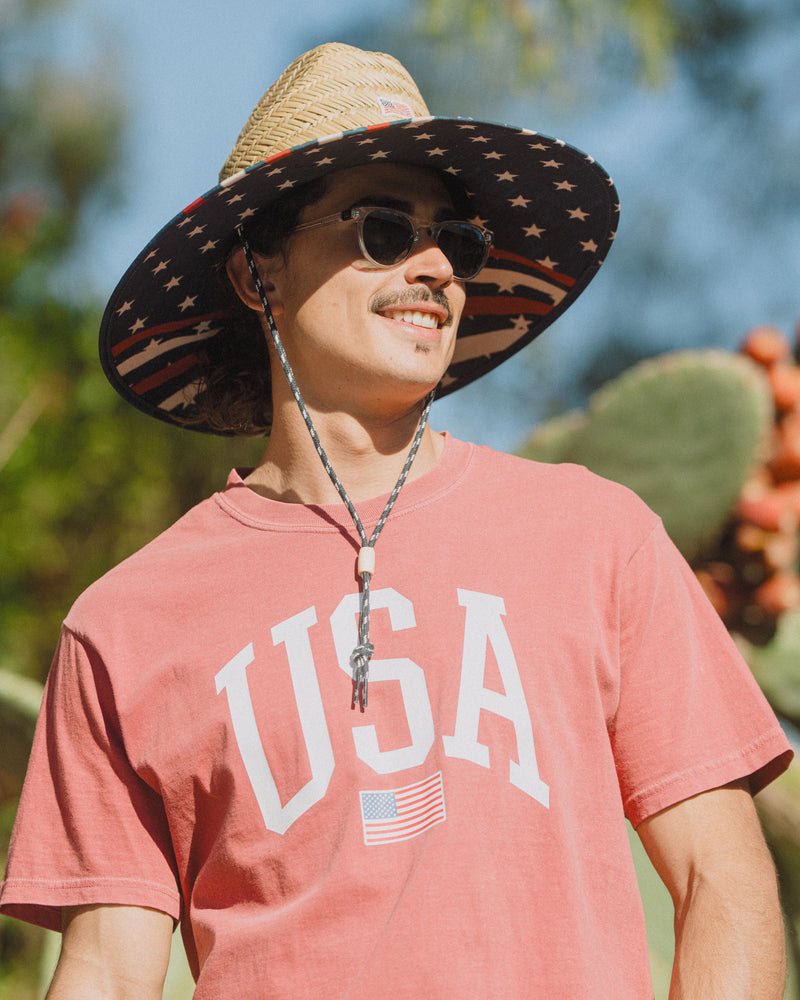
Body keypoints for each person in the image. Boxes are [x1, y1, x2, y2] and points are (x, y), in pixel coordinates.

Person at [0, 42, 792, 1000]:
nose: (434, 269)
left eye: (454, 241)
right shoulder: (124, 626)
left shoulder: (596, 535)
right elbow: (109, 973)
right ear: (261, 276)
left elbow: (722, 880)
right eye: (381, 229)